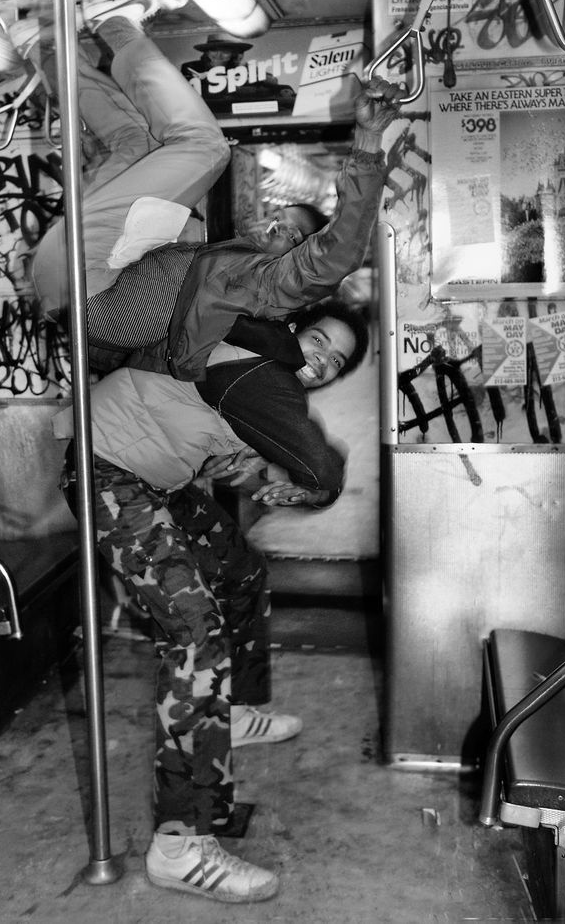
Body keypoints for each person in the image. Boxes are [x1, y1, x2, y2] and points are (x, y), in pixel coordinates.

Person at [59, 291, 369, 903]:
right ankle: (180, 844)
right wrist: (311, 482)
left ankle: (234, 710)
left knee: (242, 571)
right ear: (293, 331)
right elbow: (320, 466)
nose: (320, 363)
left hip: (157, 479)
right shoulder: (247, 356)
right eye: (317, 343)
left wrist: (273, 483)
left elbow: (232, 460)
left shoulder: (269, 392)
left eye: (334, 363)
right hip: (109, 470)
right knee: (195, 638)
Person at [10, 0, 402, 383]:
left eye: (294, 234)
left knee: (208, 148)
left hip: (83, 281)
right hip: (73, 283)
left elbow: (338, 255)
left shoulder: (268, 288)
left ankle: (114, 23)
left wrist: (368, 142)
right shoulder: (226, 258)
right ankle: (42, 50)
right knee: (139, 143)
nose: (278, 227)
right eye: (281, 218)